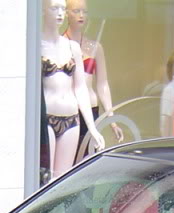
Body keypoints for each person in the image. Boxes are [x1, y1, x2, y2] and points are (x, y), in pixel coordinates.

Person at [41, 0, 103, 180]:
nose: (60, 13)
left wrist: (92, 127)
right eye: (54, 8)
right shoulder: (36, 46)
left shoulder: (72, 47)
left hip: (72, 119)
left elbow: (80, 87)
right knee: (46, 180)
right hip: (47, 118)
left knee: (62, 181)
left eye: (62, 9)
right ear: (44, 11)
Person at [64, 0, 124, 159]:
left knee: (88, 158)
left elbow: (103, 84)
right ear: (66, 14)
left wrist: (112, 120)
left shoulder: (95, 47)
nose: (81, 16)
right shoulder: (60, 46)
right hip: (68, 111)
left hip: (91, 109)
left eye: (84, 12)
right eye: (76, 11)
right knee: (67, 161)